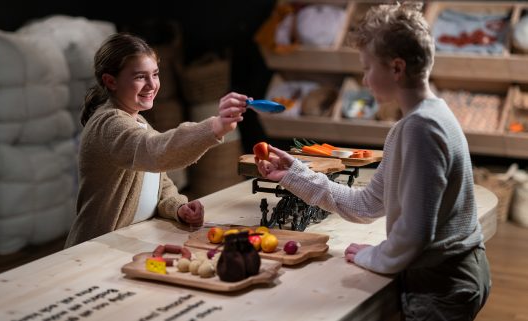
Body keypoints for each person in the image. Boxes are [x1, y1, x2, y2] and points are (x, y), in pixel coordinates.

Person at [255, 3, 490, 320]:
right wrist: (293, 175)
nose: (364, 79)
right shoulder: (415, 123)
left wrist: (373, 256)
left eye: (367, 68)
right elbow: (367, 203)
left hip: (443, 281)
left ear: (396, 68)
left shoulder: (422, 129)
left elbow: (415, 233)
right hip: (445, 274)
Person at [65, 32, 248, 247]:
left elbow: (160, 182)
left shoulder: (138, 122)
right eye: (140, 77)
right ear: (110, 81)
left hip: (129, 242)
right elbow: (155, 152)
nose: (152, 85)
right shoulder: (109, 123)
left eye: (155, 74)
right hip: (93, 250)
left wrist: (178, 207)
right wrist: (215, 127)